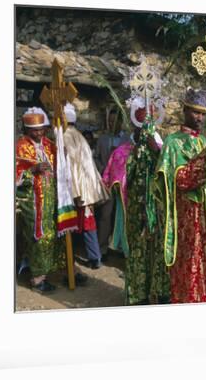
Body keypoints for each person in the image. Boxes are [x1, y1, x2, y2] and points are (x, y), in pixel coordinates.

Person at [154, 88, 206, 303]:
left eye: (203, 113)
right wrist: (205, 158)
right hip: (188, 220)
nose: (200, 118)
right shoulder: (173, 143)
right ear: (185, 110)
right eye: (195, 112)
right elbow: (181, 180)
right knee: (192, 264)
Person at [123, 100, 168, 305]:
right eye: (141, 129)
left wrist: (157, 152)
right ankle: (138, 295)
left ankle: (159, 292)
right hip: (137, 211)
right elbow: (126, 178)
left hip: (158, 212)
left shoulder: (162, 150)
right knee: (138, 253)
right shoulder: (131, 152)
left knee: (158, 252)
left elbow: (168, 174)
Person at [15, 108, 65, 293]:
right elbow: (14, 174)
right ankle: (36, 279)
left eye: (42, 129)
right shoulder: (20, 146)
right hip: (32, 203)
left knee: (50, 237)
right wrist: (32, 170)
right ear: (27, 130)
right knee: (37, 238)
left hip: (50, 200)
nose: (39, 133)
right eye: (34, 130)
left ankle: (44, 273)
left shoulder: (50, 144)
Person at [63, 103, 109, 269]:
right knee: (88, 222)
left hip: (79, 187)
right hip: (88, 186)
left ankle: (93, 257)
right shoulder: (79, 136)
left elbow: (69, 166)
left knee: (85, 222)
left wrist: (73, 190)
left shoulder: (66, 137)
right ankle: (93, 256)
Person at [95, 109, 130, 259]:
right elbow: (95, 158)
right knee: (105, 215)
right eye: (109, 121)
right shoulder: (102, 139)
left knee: (122, 215)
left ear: (121, 122)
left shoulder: (128, 140)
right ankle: (101, 249)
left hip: (123, 185)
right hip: (106, 183)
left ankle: (122, 248)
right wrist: (103, 168)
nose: (111, 124)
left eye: (114, 121)